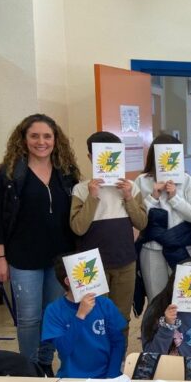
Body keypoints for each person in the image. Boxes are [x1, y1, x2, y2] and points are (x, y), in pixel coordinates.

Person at [0, 113, 80, 374]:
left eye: (47, 136)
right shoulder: (9, 175)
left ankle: (44, 363)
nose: (41, 141)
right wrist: (0, 258)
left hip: (59, 259)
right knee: (29, 318)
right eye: (34, 136)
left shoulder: (67, 173)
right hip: (23, 257)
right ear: (23, 139)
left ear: (55, 139)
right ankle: (29, 368)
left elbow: (78, 213)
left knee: (52, 315)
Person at [70, 131, 148, 323]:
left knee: (120, 319)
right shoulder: (81, 189)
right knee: (94, 318)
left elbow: (141, 222)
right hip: (92, 265)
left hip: (125, 261)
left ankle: (118, 354)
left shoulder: (130, 187)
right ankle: (97, 354)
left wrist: (129, 197)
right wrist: (92, 196)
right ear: (90, 157)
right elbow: (78, 227)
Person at [134, 134, 191, 303]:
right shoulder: (141, 181)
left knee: (186, 300)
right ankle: (157, 330)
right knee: (156, 300)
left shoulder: (186, 180)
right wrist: (153, 197)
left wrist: (175, 198)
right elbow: (137, 218)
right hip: (152, 249)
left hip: (183, 246)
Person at [41, 256, 127, 378]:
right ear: (68, 281)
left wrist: (111, 377)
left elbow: (118, 343)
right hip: (71, 379)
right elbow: (64, 349)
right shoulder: (54, 310)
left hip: (105, 377)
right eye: (85, 273)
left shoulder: (105, 304)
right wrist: (80, 315)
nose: (91, 277)